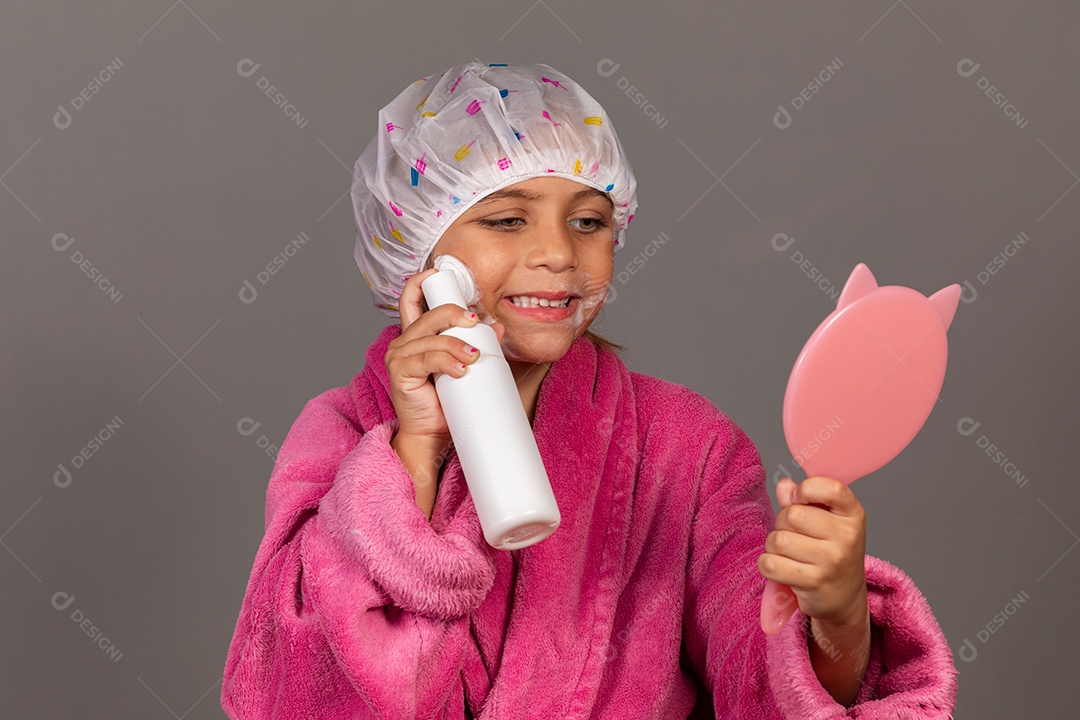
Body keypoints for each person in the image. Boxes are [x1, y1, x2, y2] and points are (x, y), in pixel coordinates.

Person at [220, 60, 958, 719]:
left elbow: (753, 678)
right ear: (419, 251)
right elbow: (288, 690)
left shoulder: (686, 449)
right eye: (507, 219)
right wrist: (415, 451)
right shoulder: (342, 433)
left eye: (589, 221)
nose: (556, 254)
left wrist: (836, 616)